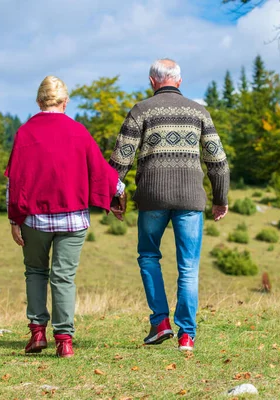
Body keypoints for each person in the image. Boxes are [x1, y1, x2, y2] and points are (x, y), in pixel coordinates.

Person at [109, 59, 230, 351]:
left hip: (152, 197)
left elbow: (120, 159)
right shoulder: (199, 112)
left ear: (153, 81)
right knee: (188, 267)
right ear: (179, 80)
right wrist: (220, 199)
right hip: (190, 199)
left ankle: (160, 322)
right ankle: (186, 335)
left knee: (149, 256)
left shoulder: (140, 111)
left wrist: (115, 196)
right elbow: (218, 162)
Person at [5, 76, 126, 358]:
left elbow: (15, 180)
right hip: (72, 219)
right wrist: (119, 192)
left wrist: (14, 219)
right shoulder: (78, 131)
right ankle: (64, 341)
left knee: (35, 272)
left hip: (34, 219)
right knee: (64, 277)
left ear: (38, 102)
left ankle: (37, 333)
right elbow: (100, 169)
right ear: (65, 102)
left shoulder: (25, 133)